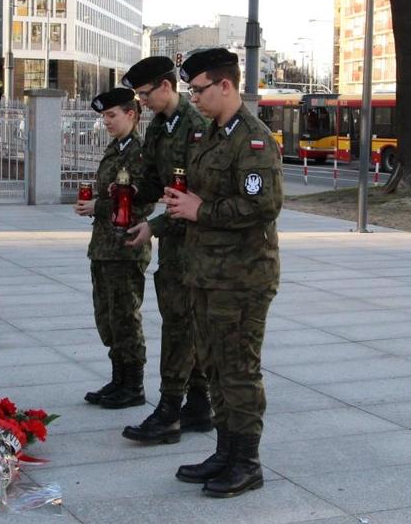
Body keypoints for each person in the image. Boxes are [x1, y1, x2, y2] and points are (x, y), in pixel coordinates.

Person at [162, 48, 283, 498]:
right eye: (191, 91)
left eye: (199, 90)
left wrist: (201, 209)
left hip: (242, 276)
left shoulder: (252, 139)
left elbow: (263, 205)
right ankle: (225, 451)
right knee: (213, 365)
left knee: (238, 369)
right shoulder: (210, 135)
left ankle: (247, 462)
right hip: (206, 272)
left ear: (225, 85)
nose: (194, 98)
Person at [119, 56, 212, 445]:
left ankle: (170, 410)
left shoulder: (200, 127)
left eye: (144, 94)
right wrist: (125, 197)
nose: (141, 103)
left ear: (165, 86)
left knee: (180, 327)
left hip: (199, 244)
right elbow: (155, 183)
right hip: (176, 244)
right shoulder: (160, 128)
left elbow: (197, 197)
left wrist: (152, 226)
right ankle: (199, 406)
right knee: (184, 324)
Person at [75, 88, 153, 409]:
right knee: (107, 316)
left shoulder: (137, 153)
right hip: (104, 246)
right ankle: (118, 378)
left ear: (131, 115)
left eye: (111, 115)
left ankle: (133, 385)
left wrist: (98, 206)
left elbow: (139, 204)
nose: (106, 121)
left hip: (125, 247)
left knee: (125, 316)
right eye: (104, 116)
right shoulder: (116, 148)